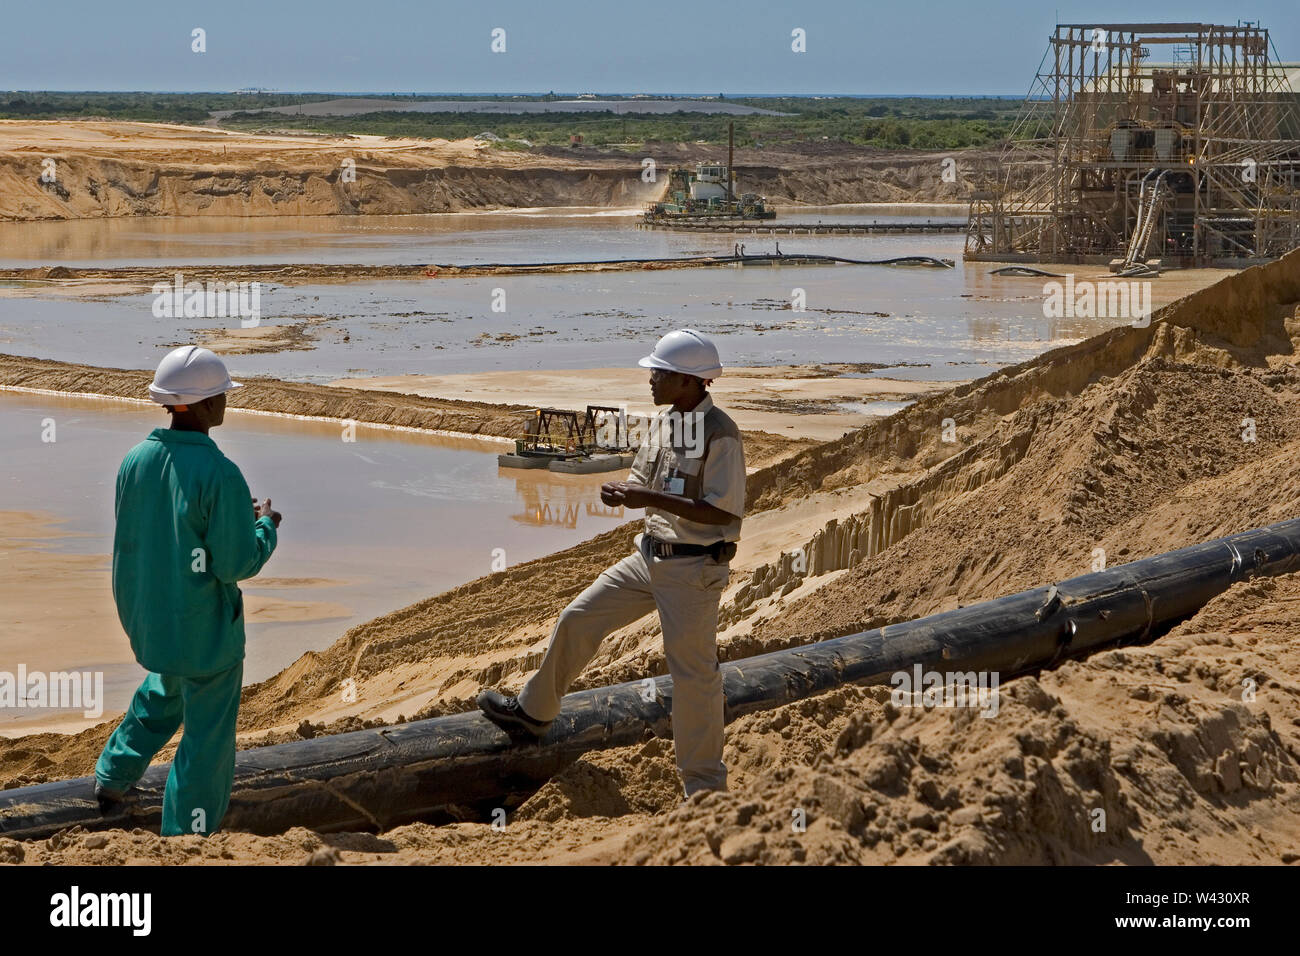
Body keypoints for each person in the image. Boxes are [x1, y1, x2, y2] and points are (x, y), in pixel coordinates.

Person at [478, 329, 746, 797]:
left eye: (660, 373)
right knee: (579, 617)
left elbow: (724, 510)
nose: (652, 380)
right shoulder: (665, 424)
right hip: (650, 558)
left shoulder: (721, 434)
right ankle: (535, 713)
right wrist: (623, 493)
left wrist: (648, 496)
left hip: (693, 570)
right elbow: (642, 481)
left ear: (689, 380)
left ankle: (704, 789)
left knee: (694, 678)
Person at [94, 345, 282, 836]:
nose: (225, 403)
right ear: (200, 405)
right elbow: (235, 563)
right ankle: (187, 834)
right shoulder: (221, 474)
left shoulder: (135, 460)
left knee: (164, 691)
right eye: (220, 395)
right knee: (206, 738)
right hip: (205, 636)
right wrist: (265, 527)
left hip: (151, 624)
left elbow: (145, 541)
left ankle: (113, 776)